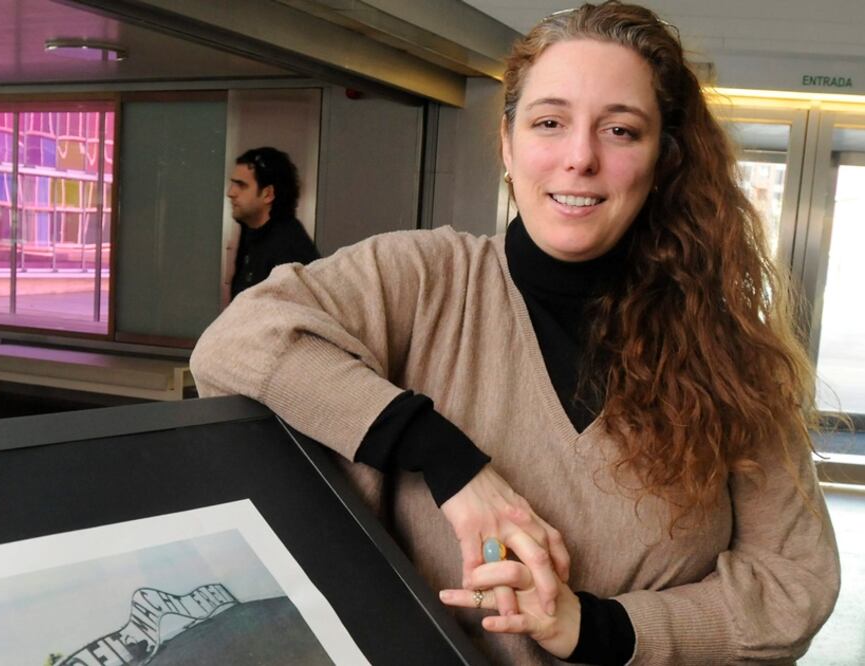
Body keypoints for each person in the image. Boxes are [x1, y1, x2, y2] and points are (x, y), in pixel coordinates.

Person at [190, 2, 840, 664]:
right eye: (549, 123)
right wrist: (444, 456)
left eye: (619, 130)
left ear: (663, 159)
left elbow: (793, 587)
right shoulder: (420, 278)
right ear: (506, 143)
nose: (578, 158)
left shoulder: (724, 350)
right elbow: (234, 346)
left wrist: (597, 627)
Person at [224, 147, 319, 301]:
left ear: (268, 194)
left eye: (241, 185)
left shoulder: (288, 247)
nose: (231, 192)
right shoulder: (252, 232)